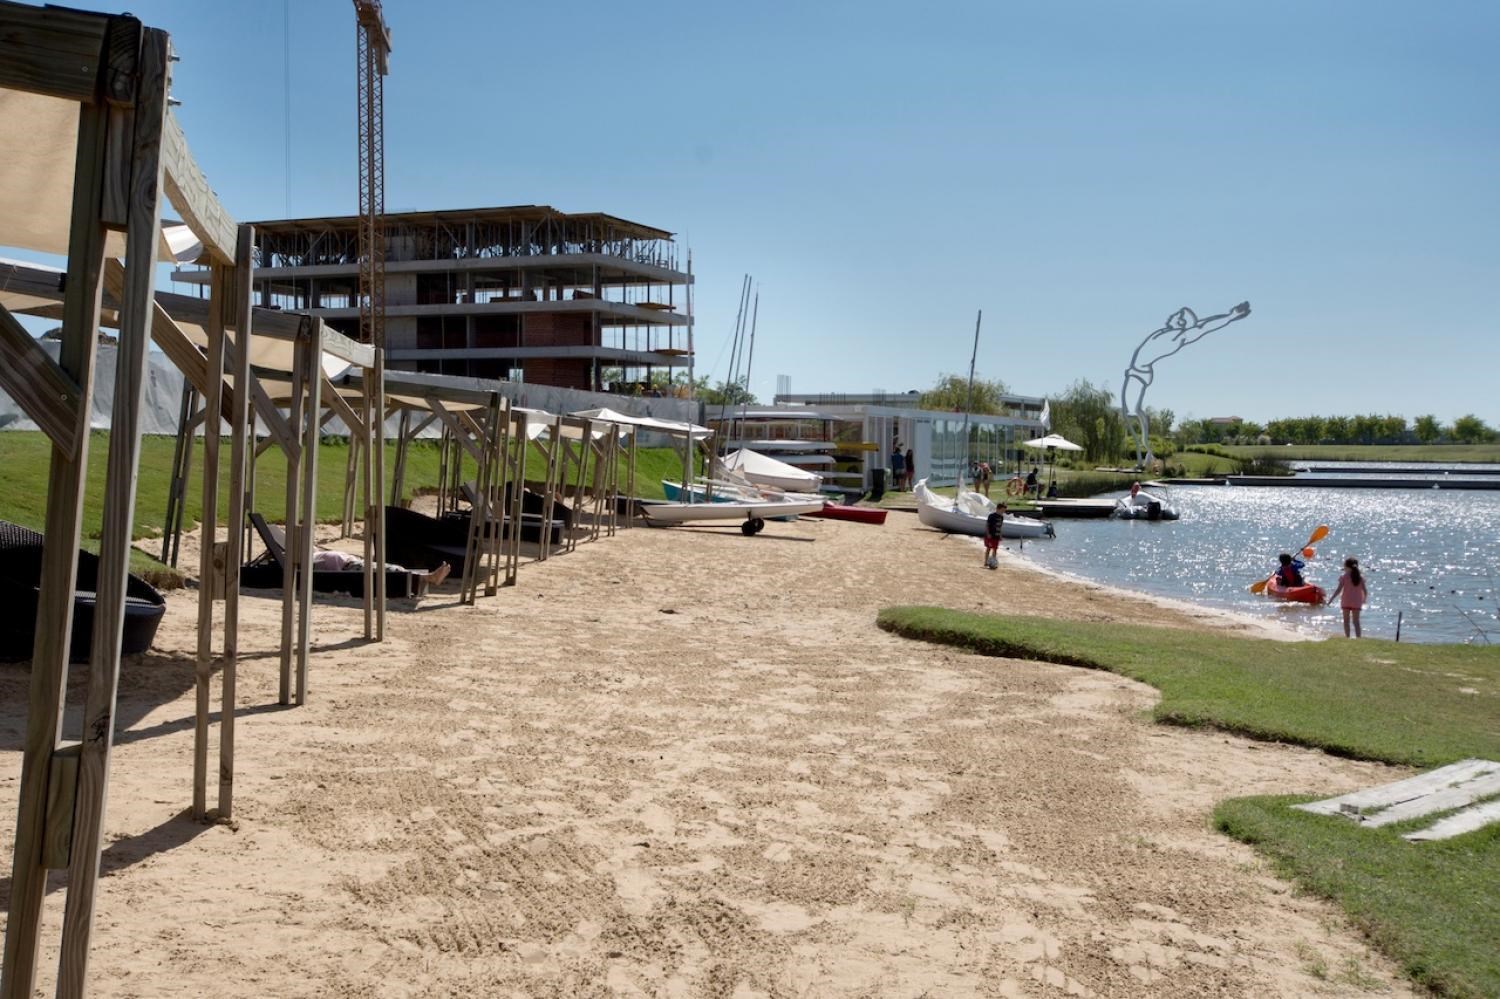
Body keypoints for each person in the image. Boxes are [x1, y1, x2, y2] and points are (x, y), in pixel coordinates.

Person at [312, 549, 452, 595]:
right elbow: (334, 577)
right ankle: (429, 577)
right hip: (351, 568)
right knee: (391, 571)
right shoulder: (313, 562)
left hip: (356, 563)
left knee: (392, 567)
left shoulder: (315, 553)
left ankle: (427, 577)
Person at [1326, 557, 1367, 638]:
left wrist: (1331, 599)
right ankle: (1358, 638)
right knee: (1356, 622)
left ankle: (1347, 637)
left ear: (1347, 567)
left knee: (1346, 621)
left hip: (1346, 601)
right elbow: (1365, 591)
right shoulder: (1360, 577)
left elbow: (1338, 590)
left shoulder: (1344, 577)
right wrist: (1364, 599)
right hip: (1357, 602)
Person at [983, 502, 1006, 569]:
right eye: (1002, 510)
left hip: (997, 536)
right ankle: (986, 561)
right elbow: (987, 525)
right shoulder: (991, 516)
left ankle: (993, 561)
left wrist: (1000, 535)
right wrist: (988, 533)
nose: (1003, 512)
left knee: (995, 549)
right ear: (997, 509)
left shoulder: (1001, 517)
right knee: (989, 548)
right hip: (990, 535)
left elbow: (1000, 526)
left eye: (1004, 511)